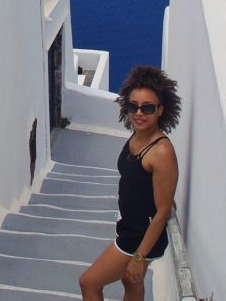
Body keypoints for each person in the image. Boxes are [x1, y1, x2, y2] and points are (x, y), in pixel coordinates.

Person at [79, 65, 182, 301]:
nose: (139, 113)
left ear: (160, 111)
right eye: (133, 106)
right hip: (130, 227)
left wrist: (138, 257)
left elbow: (164, 211)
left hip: (139, 238)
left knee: (88, 283)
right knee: (131, 283)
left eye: (147, 107)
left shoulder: (161, 152)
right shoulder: (138, 135)